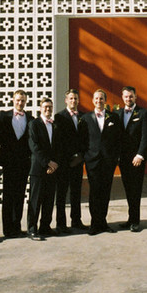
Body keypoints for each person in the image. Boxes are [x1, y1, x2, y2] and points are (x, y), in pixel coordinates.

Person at [78, 88, 122, 235]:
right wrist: (86, 156)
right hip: (93, 161)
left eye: (101, 99)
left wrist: (115, 157)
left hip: (108, 162)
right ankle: (94, 223)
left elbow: (118, 139)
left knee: (105, 192)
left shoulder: (113, 118)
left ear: (105, 100)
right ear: (92, 100)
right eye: (96, 99)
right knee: (94, 192)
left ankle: (103, 222)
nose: (98, 101)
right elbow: (82, 140)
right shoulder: (85, 118)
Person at [0, 89, 33, 238]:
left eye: (22, 100)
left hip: (23, 163)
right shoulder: (3, 116)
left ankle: (17, 227)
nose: (20, 103)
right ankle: (7, 229)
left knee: (20, 196)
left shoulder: (30, 118)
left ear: (26, 101)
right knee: (8, 197)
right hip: (8, 163)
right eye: (17, 100)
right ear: (13, 100)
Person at [27, 97, 62, 240]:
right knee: (35, 200)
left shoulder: (55, 125)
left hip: (52, 168)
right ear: (41, 108)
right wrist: (47, 162)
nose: (48, 109)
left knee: (49, 200)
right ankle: (32, 229)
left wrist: (55, 164)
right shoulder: (34, 124)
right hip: (38, 168)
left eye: (50, 107)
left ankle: (45, 226)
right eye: (45, 107)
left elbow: (58, 147)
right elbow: (34, 146)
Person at [117, 86, 147, 232]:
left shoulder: (143, 113)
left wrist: (140, 155)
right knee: (128, 189)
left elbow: (145, 136)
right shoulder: (117, 113)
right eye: (126, 96)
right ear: (122, 97)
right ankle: (130, 218)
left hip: (137, 158)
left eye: (131, 96)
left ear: (135, 97)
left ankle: (135, 221)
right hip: (123, 159)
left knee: (136, 190)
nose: (128, 99)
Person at [54, 88, 87, 232]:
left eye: (75, 98)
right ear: (66, 100)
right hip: (63, 162)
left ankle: (76, 220)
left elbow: (86, 138)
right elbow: (57, 140)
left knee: (76, 192)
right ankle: (61, 224)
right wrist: (66, 159)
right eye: (71, 98)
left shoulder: (84, 117)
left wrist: (80, 156)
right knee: (61, 194)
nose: (73, 101)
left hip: (78, 161)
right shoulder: (59, 117)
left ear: (78, 101)